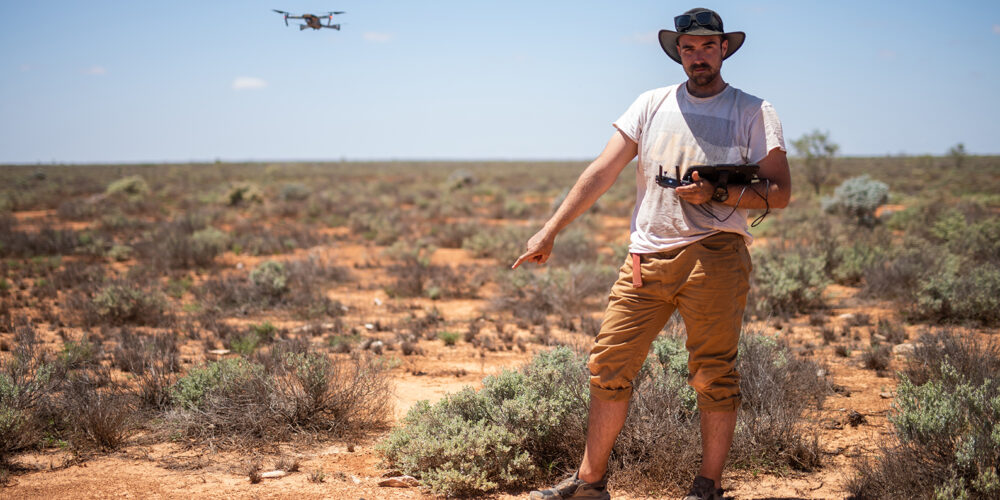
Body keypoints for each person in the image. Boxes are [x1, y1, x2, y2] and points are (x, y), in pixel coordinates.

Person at [512, 8, 791, 500]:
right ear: (677, 52)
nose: (698, 56)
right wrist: (550, 229)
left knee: (712, 372)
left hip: (716, 255)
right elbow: (604, 168)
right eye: (689, 47)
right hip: (646, 256)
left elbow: (780, 192)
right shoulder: (651, 103)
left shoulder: (753, 110)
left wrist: (718, 196)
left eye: (708, 46)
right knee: (608, 364)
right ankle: (589, 484)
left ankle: (708, 488)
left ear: (725, 48)